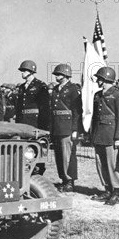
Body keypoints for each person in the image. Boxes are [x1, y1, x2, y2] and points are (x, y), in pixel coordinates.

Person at [90, 67, 119, 205]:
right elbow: (95, 117)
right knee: (101, 163)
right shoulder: (97, 95)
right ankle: (107, 189)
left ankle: (116, 191)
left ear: (105, 79)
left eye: (99, 78)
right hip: (99, 133)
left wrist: (118, 137)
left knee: (112, 163)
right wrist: (92, 135)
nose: (98, 80)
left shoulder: (118, 94)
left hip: (111, 135)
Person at [50, 63, 82, 192]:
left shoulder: (73, 89)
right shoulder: (57, 88)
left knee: (67, 155)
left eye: (59, 74)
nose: (56, 76)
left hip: (67, 127)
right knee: (59, 155)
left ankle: (70, 181)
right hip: (57, 126)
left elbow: (76, 110)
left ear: (66, 75)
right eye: (56, 74)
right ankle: (63, 178)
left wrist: (75, 129)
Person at [14, 60, 49, 130]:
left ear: (31, 72)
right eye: (22, 71)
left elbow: (44, 107)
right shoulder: (22, 87)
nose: (22, 73)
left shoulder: (40, 85)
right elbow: (19, 107)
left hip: (34, 121)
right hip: (22, 121)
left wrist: (44, 125)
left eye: (24, 71)